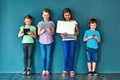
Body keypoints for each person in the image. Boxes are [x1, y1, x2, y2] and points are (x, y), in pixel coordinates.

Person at [60, 8, 79, 76]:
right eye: (66, 15)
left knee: (72, 55)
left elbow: (77, 32)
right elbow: (61, 35)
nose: (67, 16)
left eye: (68, 15)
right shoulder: (62, 23)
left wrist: (74, 33)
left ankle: (71, 70)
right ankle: (65, 70)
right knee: (65, 55)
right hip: (65, 40)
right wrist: (63, 34)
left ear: (70, 15)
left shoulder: (74, 22)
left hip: (73, 40)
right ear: (63, 16)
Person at [37, 8, 55, 76]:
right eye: (44, 15)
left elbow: (53, 33)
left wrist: (49, 30)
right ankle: (43, 69)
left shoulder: (51, 23)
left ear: (49, 15)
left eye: (47, 15)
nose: (46, 16)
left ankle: (47, 70)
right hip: (42, 42)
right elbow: (38, 33)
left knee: (48, 56)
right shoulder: (40, 23)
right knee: (43, 56)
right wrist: (43, 30)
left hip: (49, 42)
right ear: (42, 15)